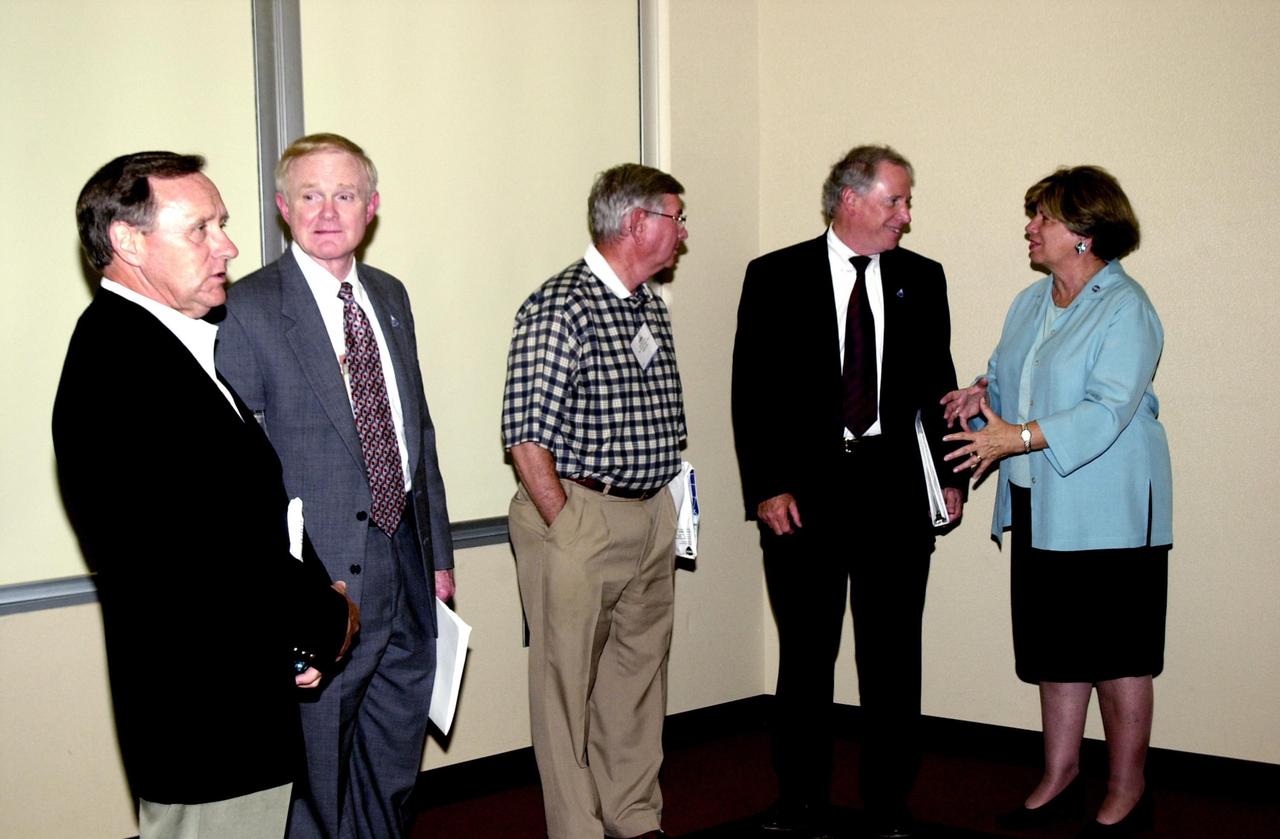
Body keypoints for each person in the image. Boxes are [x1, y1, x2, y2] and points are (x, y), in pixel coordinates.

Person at [53, 151, 358, 839]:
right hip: (204, 718)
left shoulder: (161, 346)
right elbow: (208, 553)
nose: (228, 246)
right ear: (129, 242)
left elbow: (243, 517)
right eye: (201, 228)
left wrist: (295, 638)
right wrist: (325, 619)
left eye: (222, 223)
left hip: (229, 697)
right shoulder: (123, 365)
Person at [215, 133, 455, 839]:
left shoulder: (390, 295)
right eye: (310, 195)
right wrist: (280, 592)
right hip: (318, 582)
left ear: (371, 207)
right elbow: (242, 474)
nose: (327, 212)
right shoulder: (246, 308)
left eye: (344, 195)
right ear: (283, 207)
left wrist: (437, 554)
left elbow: (417, 431)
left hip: (405, 566)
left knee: (393, 761)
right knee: (317, 777)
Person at [732, 145, 966, 839]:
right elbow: (752, 391)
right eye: (896, 201)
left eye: (907, 201)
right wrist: (766, 486)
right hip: (803, 498)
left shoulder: (923, 278)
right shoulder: (775, 275)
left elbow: (939, 384)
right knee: (806, 656)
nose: (906, 215)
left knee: (892, 658)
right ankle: (800, 798)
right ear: (850, 200)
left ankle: (888, 802)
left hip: (895, 495)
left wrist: (949, 475)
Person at [941, 166, 1170, 837]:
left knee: (1118, 655)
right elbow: (1012, 383)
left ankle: (1128, 788)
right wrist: (980, 394)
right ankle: (1060, 775)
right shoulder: (1029, 302)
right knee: (1056, 650)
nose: (1030, 227)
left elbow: (1107, 407)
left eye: (1043, 216)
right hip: (1040, 503)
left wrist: (1017, 435)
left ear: (1085, 232)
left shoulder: (1127, 307)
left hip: (1111, 512)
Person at [501, 163, 689, 839]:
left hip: (650, 514)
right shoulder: (560, 306)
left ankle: (632, 815)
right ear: (637, 222)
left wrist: (666, 508)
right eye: (675, 218)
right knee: (565, 688)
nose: (683, 232)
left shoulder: (649, 305)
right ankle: (576, 829)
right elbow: (526, 438)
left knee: (638, 679)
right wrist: (568, 523)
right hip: (579, 515)